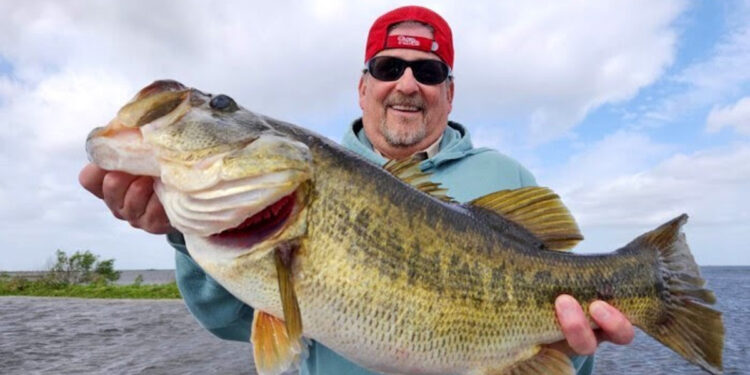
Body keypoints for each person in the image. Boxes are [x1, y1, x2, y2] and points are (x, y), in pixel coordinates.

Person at [79, 5, 634, 375]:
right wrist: (182, 233)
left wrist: (573, 348)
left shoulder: (507, 179)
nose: (408, 83)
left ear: (450, 92)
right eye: (390, 66)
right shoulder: (295, 187)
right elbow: (230, 322)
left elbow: (566, 351)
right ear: (364, 85)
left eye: (430, 72)